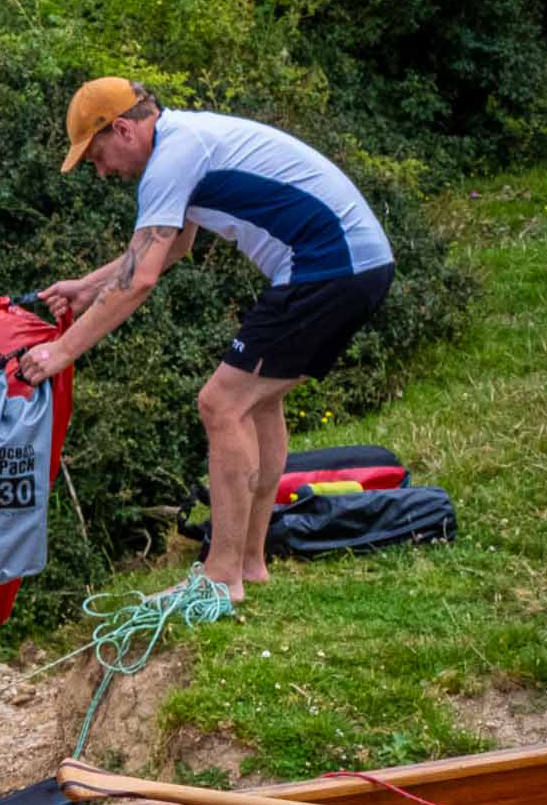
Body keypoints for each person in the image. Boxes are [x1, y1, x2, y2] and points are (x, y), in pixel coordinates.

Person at [21, 78, 395, 602]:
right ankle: (249, 564)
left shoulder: (172, 157)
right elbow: (169, 249)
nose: (101, 171)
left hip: (328, 266)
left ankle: (221, 578)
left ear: (123, 129)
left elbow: (142, 279)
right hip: (354, 264)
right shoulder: (185, 141)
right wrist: (87, 287)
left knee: (220, 404)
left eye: (97, 156)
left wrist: (60, 353)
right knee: (258, 404)